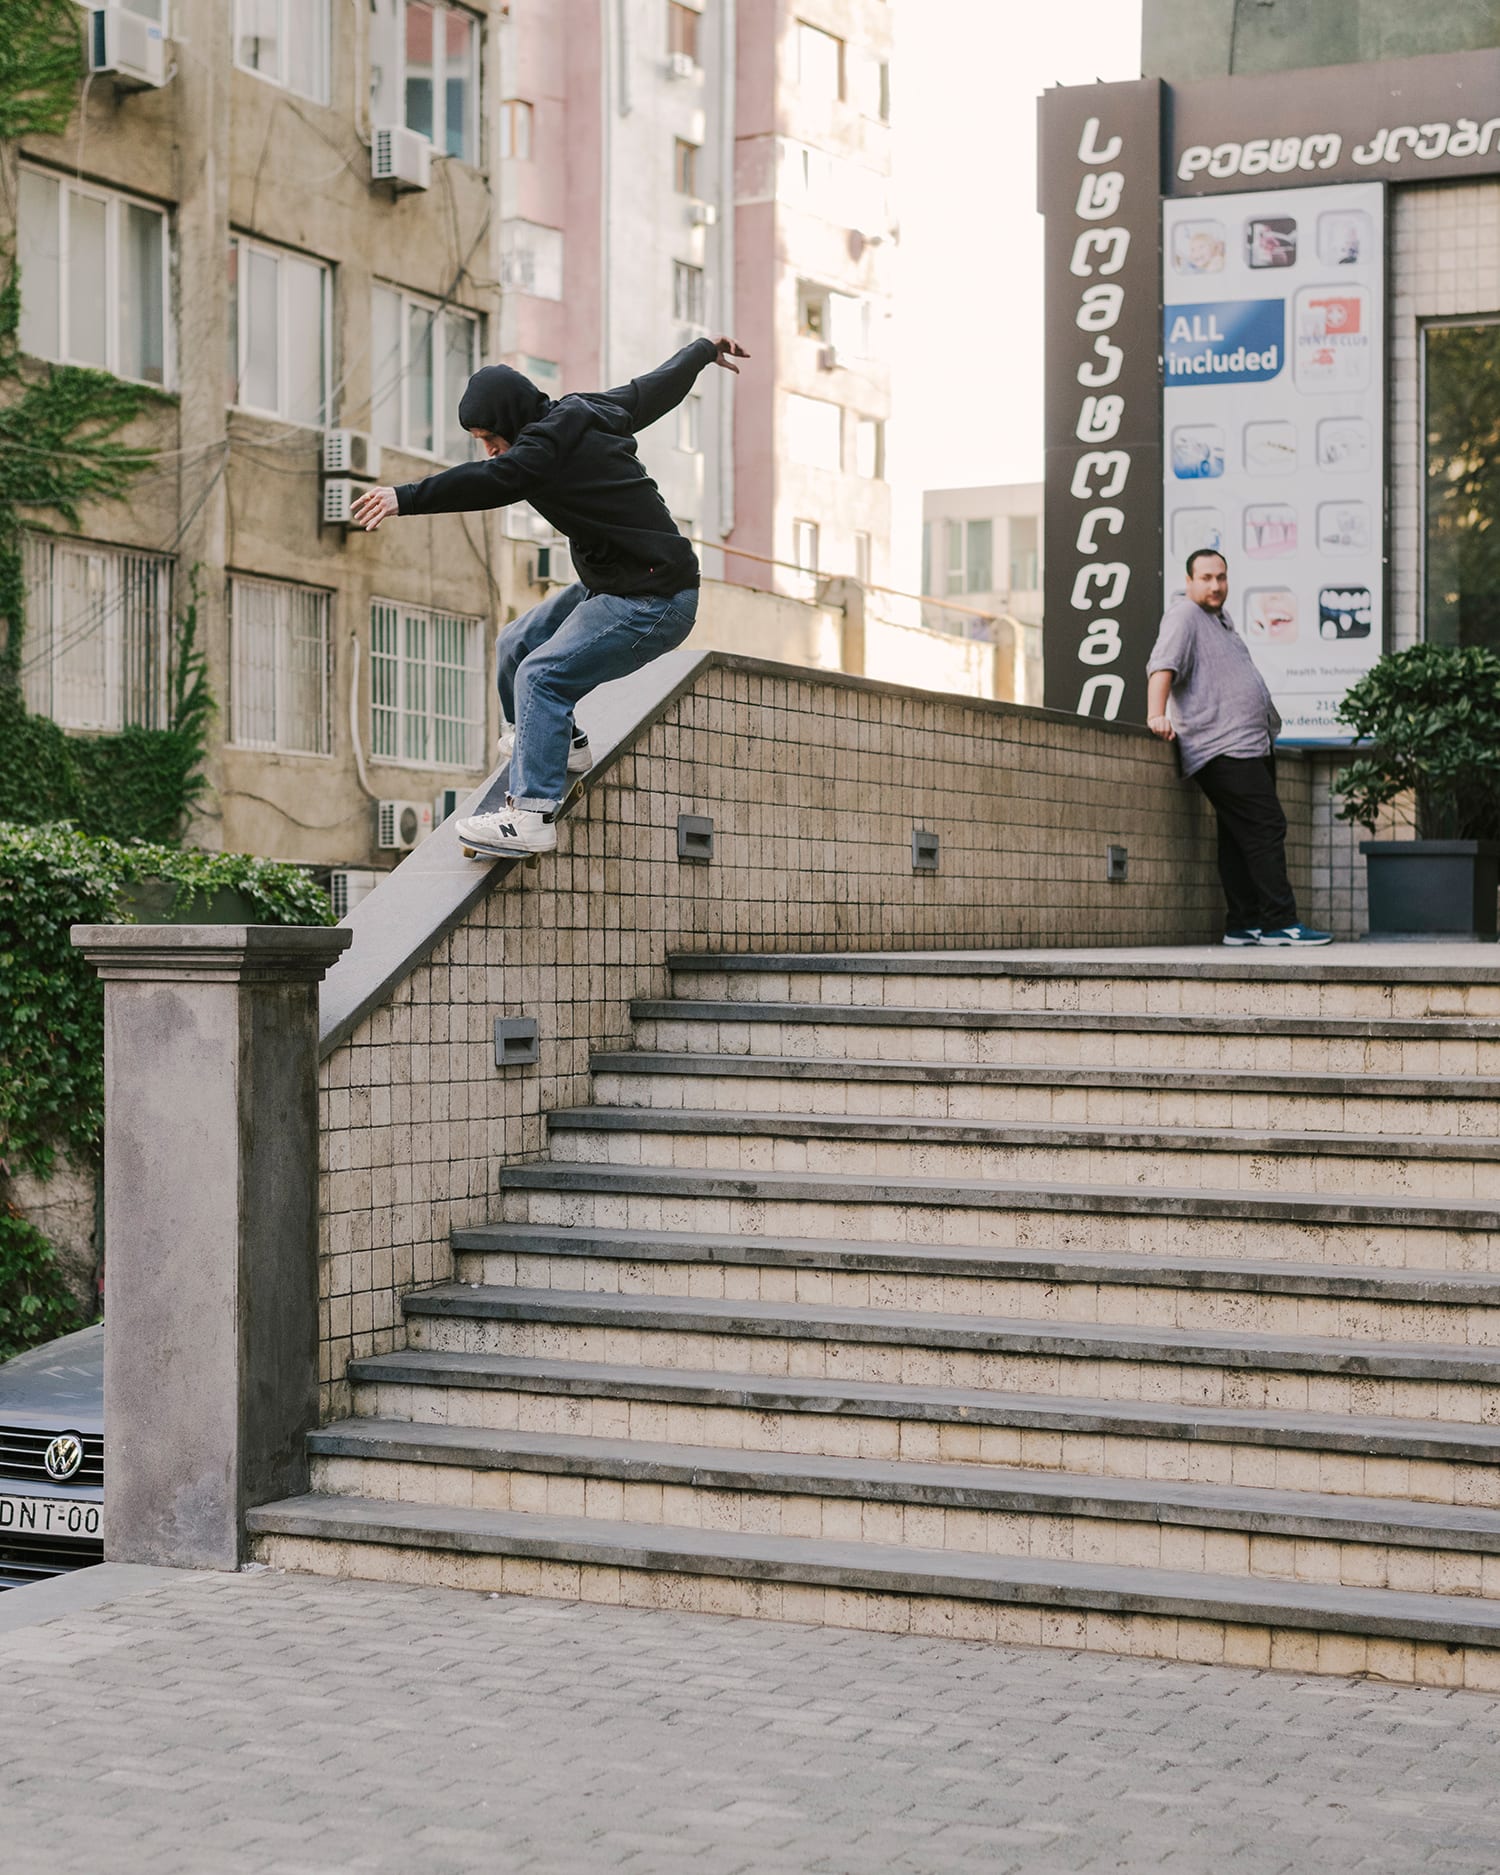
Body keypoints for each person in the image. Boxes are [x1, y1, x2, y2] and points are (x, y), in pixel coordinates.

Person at [351, 334, 749, 855]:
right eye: (480, 439)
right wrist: (700, 351)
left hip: (654, 601)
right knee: (515, 643)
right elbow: (652, 389)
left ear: (512, 421)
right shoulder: (588, 410)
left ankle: (532, 816)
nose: (490, 448)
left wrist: (403, 497)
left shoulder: (541, 450)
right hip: (612, 582)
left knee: (540, 675)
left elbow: (491, 481)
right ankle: (564, 747)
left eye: (490, 436)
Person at [1147, 549, 1331, 947]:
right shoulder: (1184, 615)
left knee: (1237, 834)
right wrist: (1156, 714)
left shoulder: (1219, 618)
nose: (1216, 585)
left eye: (1221, 577)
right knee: (1267, 826)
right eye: (1207, 578)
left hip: (1251, 744)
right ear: (1189, 581)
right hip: (1221, 746)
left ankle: (1243, 923)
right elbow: (1162, 665)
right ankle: (1279, 922)